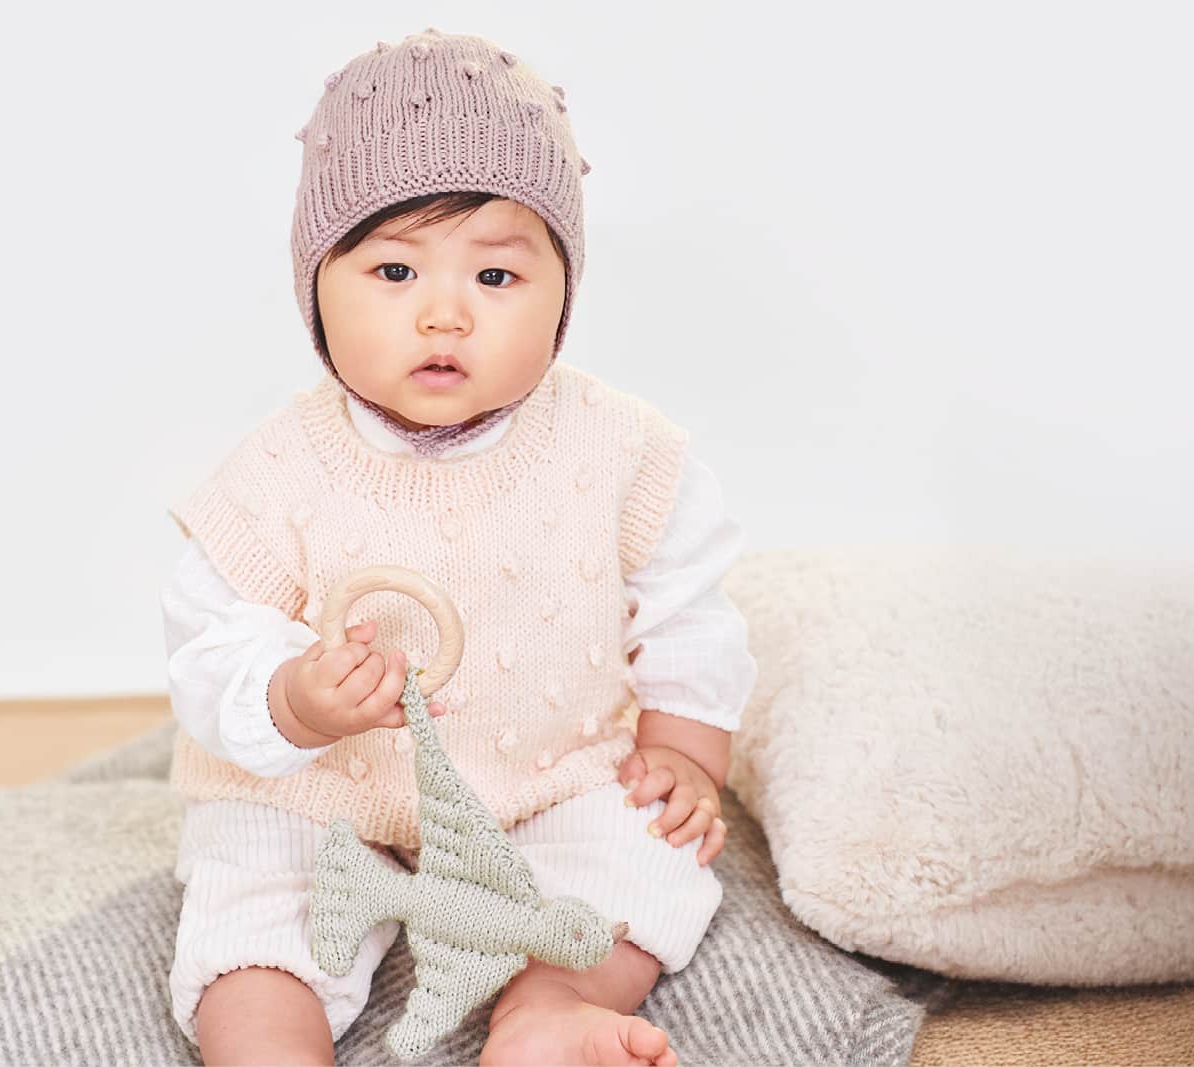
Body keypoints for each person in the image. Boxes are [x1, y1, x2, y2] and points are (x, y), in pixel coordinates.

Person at [162, 29, 757, 1067]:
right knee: (252, 897)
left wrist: (679, 751)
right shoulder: (273, 471)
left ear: (561, 290)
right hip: (321, 788)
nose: (443, 313)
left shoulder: (624, 454)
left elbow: (688, 609)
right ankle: (268, 1038)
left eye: (494, 274)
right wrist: (288, 697)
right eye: (393, 268)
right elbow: (207, 642)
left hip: (542, 771)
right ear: (316, 284)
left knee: (639, 852)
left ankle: (549, 1008)